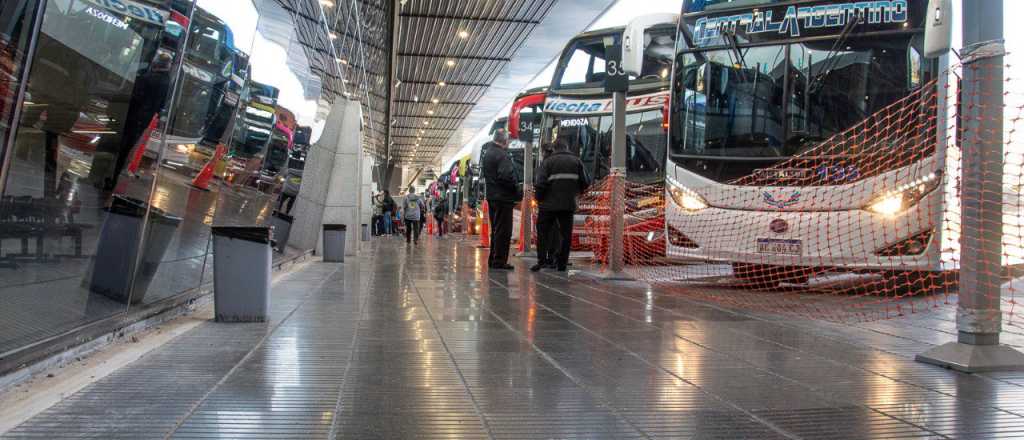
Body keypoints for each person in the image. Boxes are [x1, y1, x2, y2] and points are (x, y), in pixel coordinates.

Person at [531, 139, 590, 272]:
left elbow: (540, 183)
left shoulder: (548, 162)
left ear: (555, 148)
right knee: (565, 234)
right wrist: (576, 193)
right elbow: (586, 182)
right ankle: (562, 264)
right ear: (567, 147)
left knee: (543, 232)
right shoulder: (577, 161)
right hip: (568, 205)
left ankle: (542, 261)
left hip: (548, 206)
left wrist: (539, 199)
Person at [480, 128, 521, 270]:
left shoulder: (488, 153)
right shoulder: (502, 155)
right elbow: (505, 176)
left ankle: (493, 259)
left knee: (496, 229)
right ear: (504, 140)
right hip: (503, 198)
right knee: (504, 231)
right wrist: (516, 188)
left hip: (492, 197)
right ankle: (499, 261)